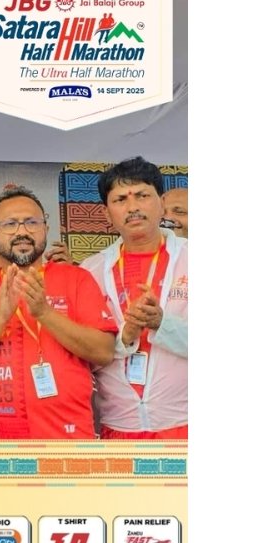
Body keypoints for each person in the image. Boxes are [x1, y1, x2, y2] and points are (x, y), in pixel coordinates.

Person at [0, 185, 116, 439]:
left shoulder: (77, 279)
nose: (22, 231)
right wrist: (0, 317)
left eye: (31, 222)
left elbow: (104, 351)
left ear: (46, 228)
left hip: (68, 441)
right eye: (10, 224)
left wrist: (45, 313)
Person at [81, 157, 188, 438]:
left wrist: (162, 324)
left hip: (184, 424)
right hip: (119, 428)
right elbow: (83, 354)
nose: (132, 207)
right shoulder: (89, 271)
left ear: (161, 203)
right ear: (106, 214)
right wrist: (124, 337)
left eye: (142, 195)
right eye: (120, 199)